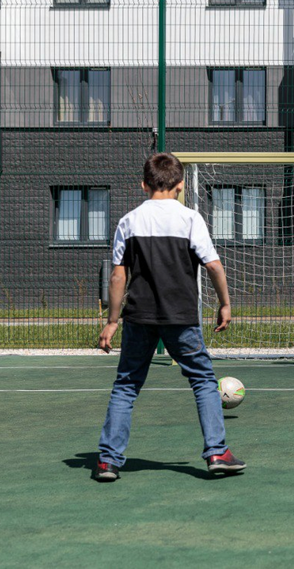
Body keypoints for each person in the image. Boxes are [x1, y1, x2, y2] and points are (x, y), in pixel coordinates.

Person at [94, 152, 245, 482]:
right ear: (180, 185)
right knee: (203, 382)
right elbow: (214, 265)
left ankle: (108, 461)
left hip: (139, 317)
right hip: (181, 317)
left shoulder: (129, 221)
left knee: (126, 386)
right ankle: (217, 453)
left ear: (143, 185)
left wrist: (112, 321)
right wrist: (225, 303)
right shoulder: (190, 218)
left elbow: (118, 276)